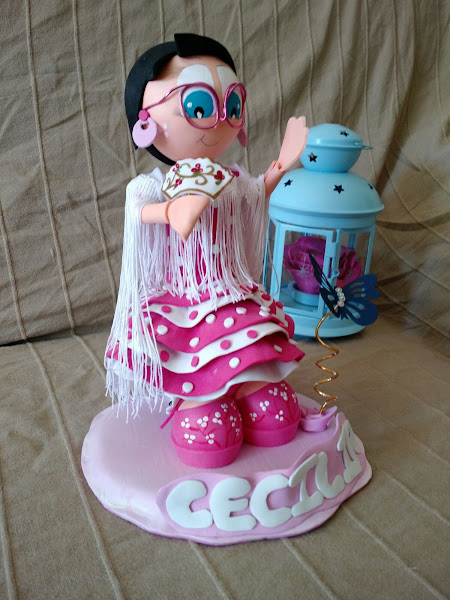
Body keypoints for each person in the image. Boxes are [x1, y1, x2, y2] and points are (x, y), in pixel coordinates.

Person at [105, 33, 309, 468]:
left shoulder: (231, 178)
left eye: (232, 105)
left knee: (272, 403)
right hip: (186, 297)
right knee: (208, 419)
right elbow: (140, 214)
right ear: (145, 122)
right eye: (199, 106)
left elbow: (254, 196)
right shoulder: (154, 185)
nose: (220, 120)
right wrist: (172, 211)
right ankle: (203, 403)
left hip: (232, 290)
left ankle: (249, 391)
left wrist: (279, 165)